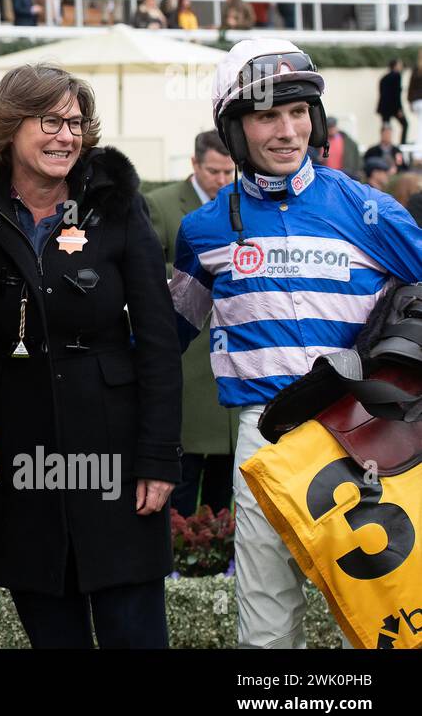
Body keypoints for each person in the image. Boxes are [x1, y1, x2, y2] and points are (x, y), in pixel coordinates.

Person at [170, 37, 422, 647]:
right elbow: (163, 336)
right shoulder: (202, 230)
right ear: (233, 130)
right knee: (264, 620)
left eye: (297, 113)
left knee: (381, 618)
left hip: (366, 428)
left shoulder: (372, 210)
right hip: (266, 431)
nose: (286, 131)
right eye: (265, 116)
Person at [0, 63, 182, 648]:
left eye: (75, 123)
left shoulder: (113, 201)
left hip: (117, 447)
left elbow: (157, 339)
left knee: (135, 631)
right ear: (10, 126)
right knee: (53, 633)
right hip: (17, 451)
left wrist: (158, 457)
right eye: (50, 121)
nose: (66, 136)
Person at [144, 131, 240, 518]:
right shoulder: (161, 204)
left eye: (228, 172)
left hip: (230, 359)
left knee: (224, 487)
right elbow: (145, 271)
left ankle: (215, 556)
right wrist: (211, 267)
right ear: (195, 165)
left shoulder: (243, 205)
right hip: (188, 359)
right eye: (214, 171)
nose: (221, 179)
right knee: (183, 482)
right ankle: (180, 561)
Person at [377, 58, 408, 145]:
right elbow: (396, 95)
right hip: (393, 108)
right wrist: (399, 109)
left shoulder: (383, 78)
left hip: (384, 108)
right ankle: (403, 143)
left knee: (385, 127)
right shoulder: (397, 76)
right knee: (405, 124)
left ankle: (385, 144)